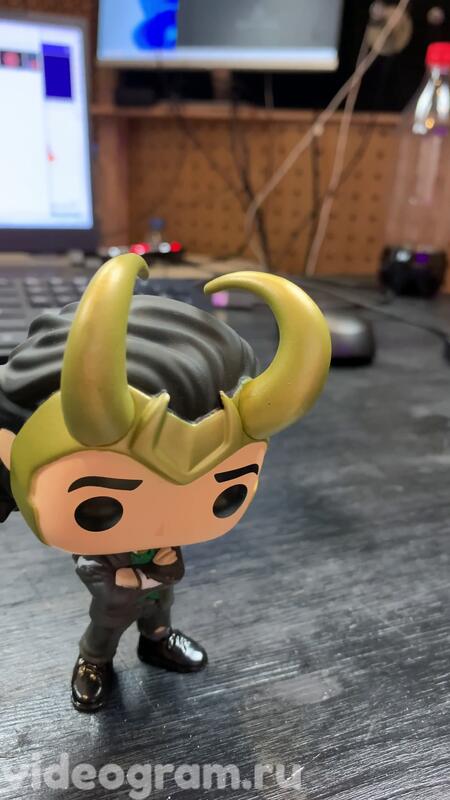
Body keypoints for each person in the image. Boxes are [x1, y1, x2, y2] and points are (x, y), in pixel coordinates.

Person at [0, 255, 330, 712]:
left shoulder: (167, 538)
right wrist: (141, 573)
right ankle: (94, 661)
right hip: (113, 602)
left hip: (154, 589)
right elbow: (101, 576)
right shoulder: (99, 550)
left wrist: (154, 573)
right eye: (98, 505)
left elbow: (173, 571)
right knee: (106, 626)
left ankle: (157, 640)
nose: (164, 518)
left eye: (227, 495)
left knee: (160, 611)